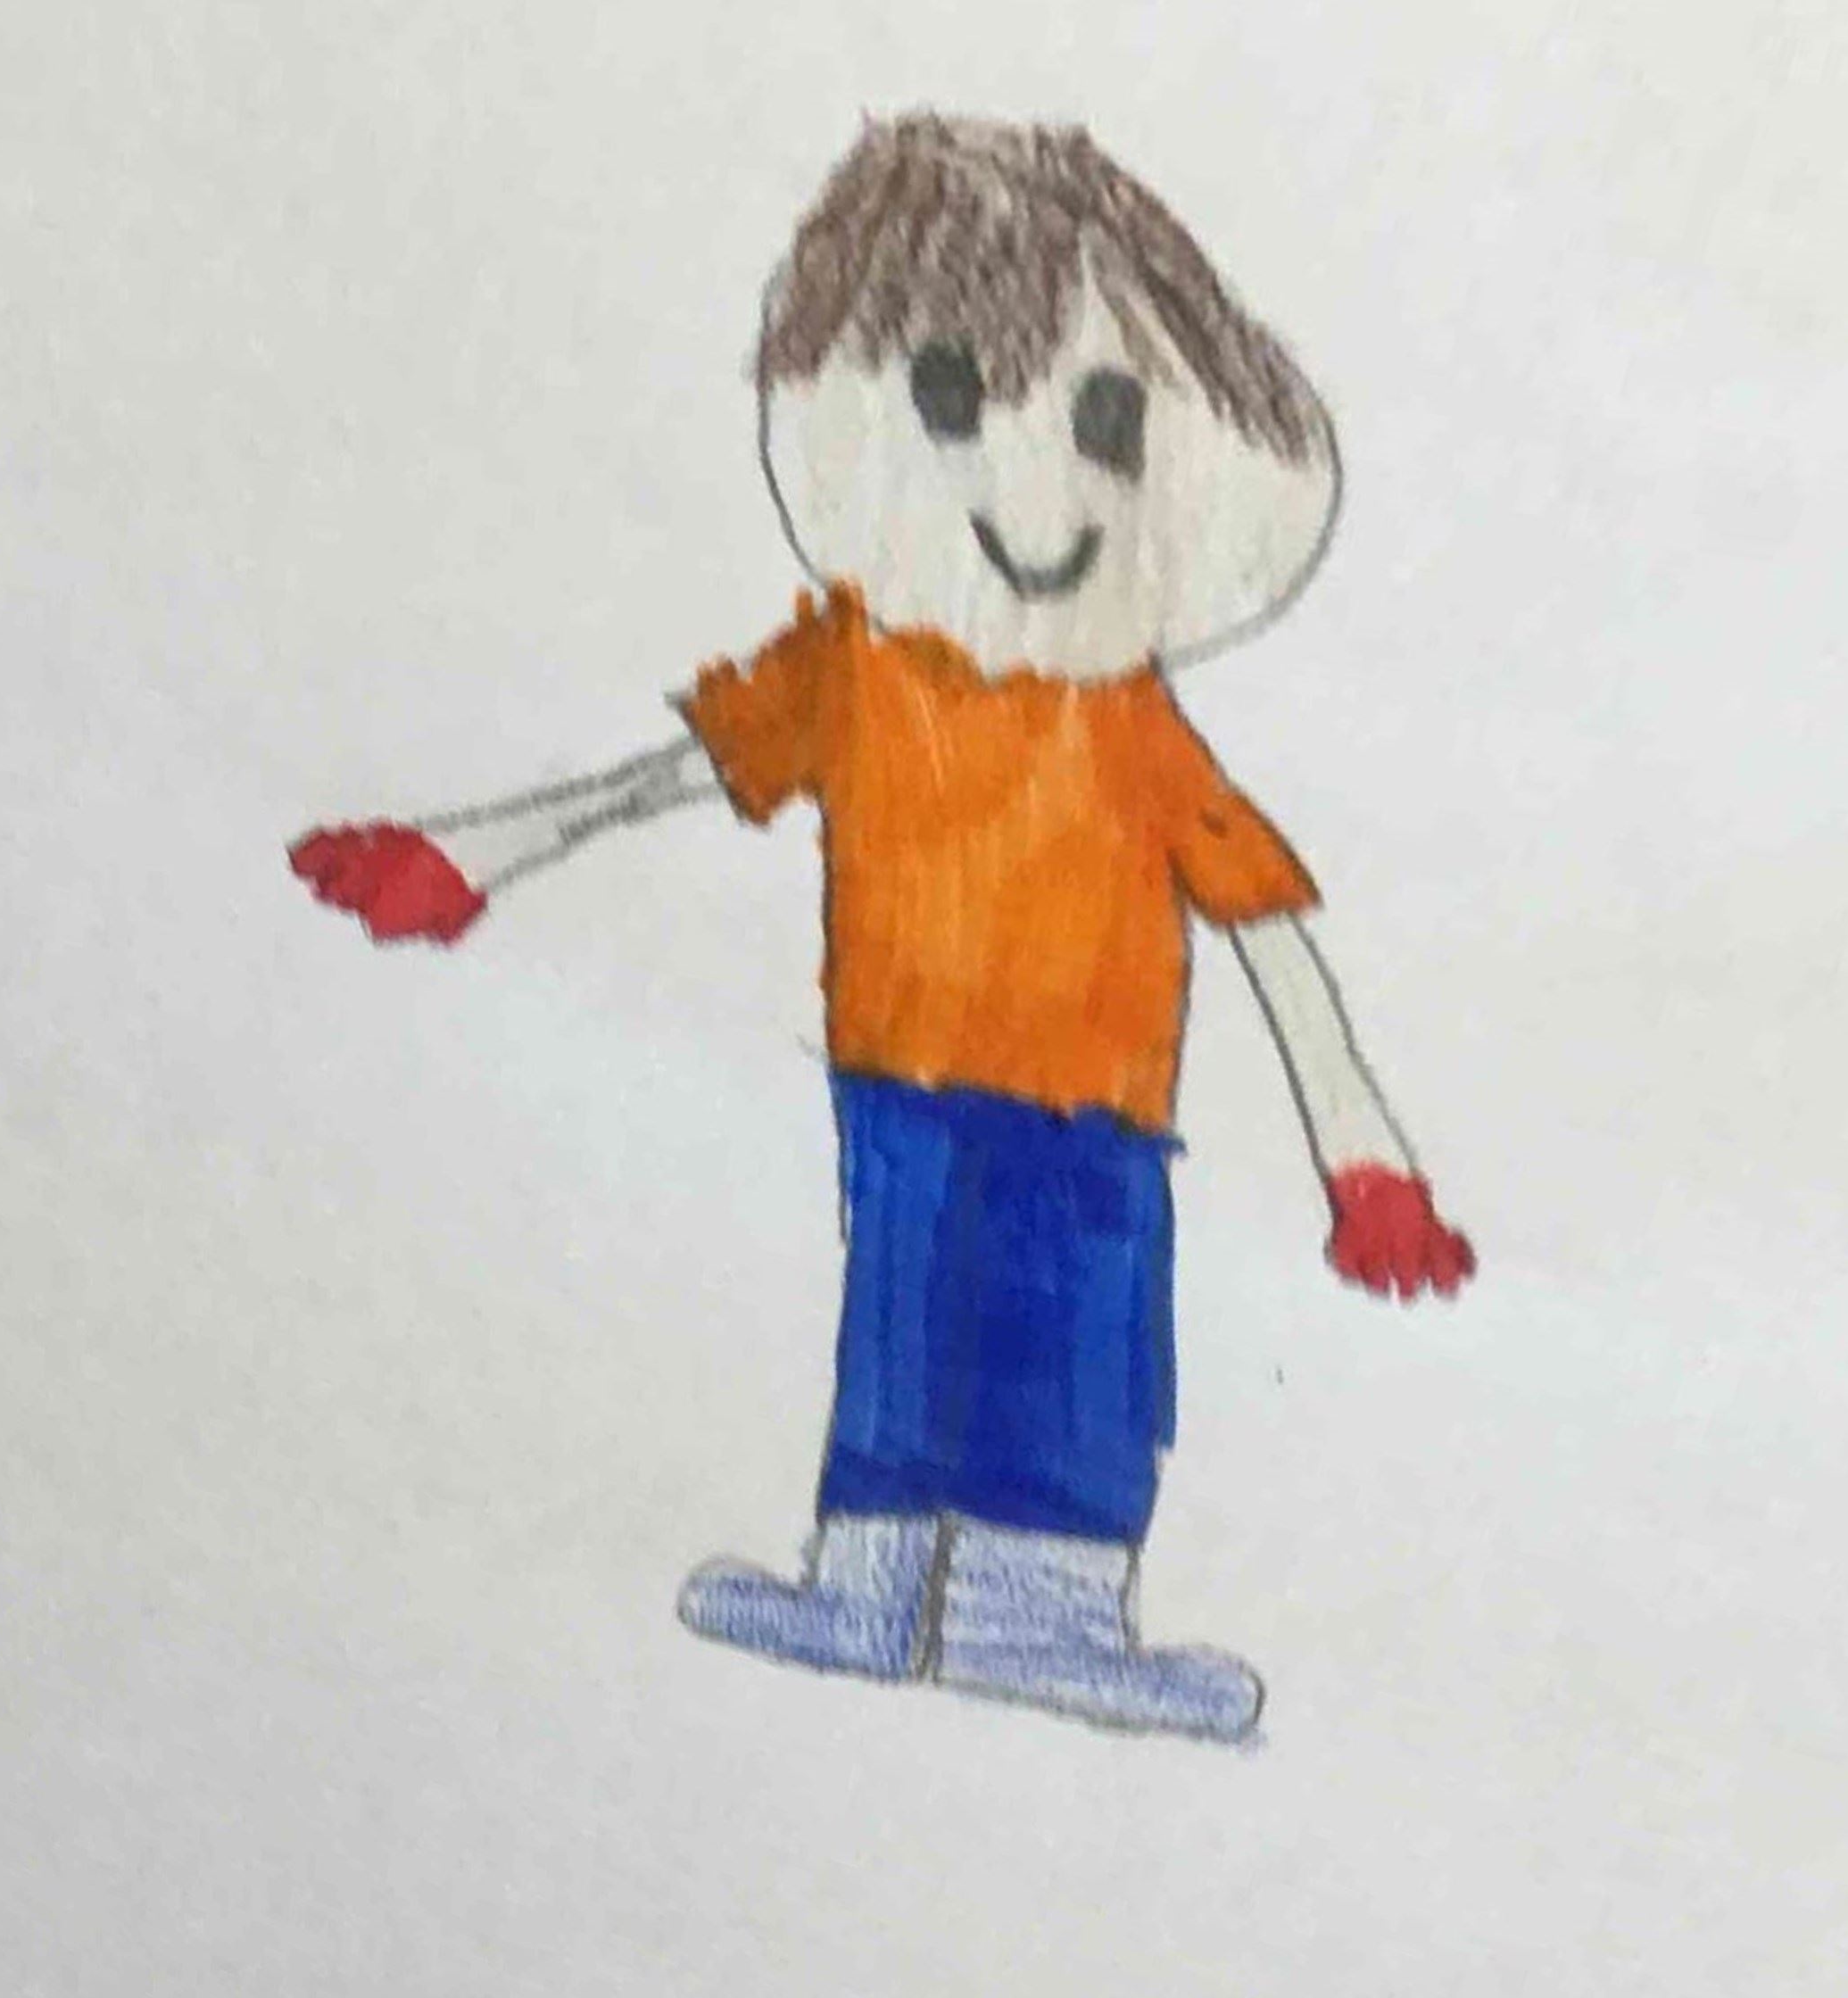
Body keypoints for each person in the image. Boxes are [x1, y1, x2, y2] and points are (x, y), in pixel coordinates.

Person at [289, 113, 1474, 1744]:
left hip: (1097, 1109)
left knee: (1077, 1349)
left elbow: (1269, 925)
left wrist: (1367, 1160)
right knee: (902, 1327)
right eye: (952, 400)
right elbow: (680, 768)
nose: (1033, 485)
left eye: (1106, 418)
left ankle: (1043, 1616)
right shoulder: (851, 672)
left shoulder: (1132, 733)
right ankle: (865, 1588)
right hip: (898, 1075)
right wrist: (468, 854)